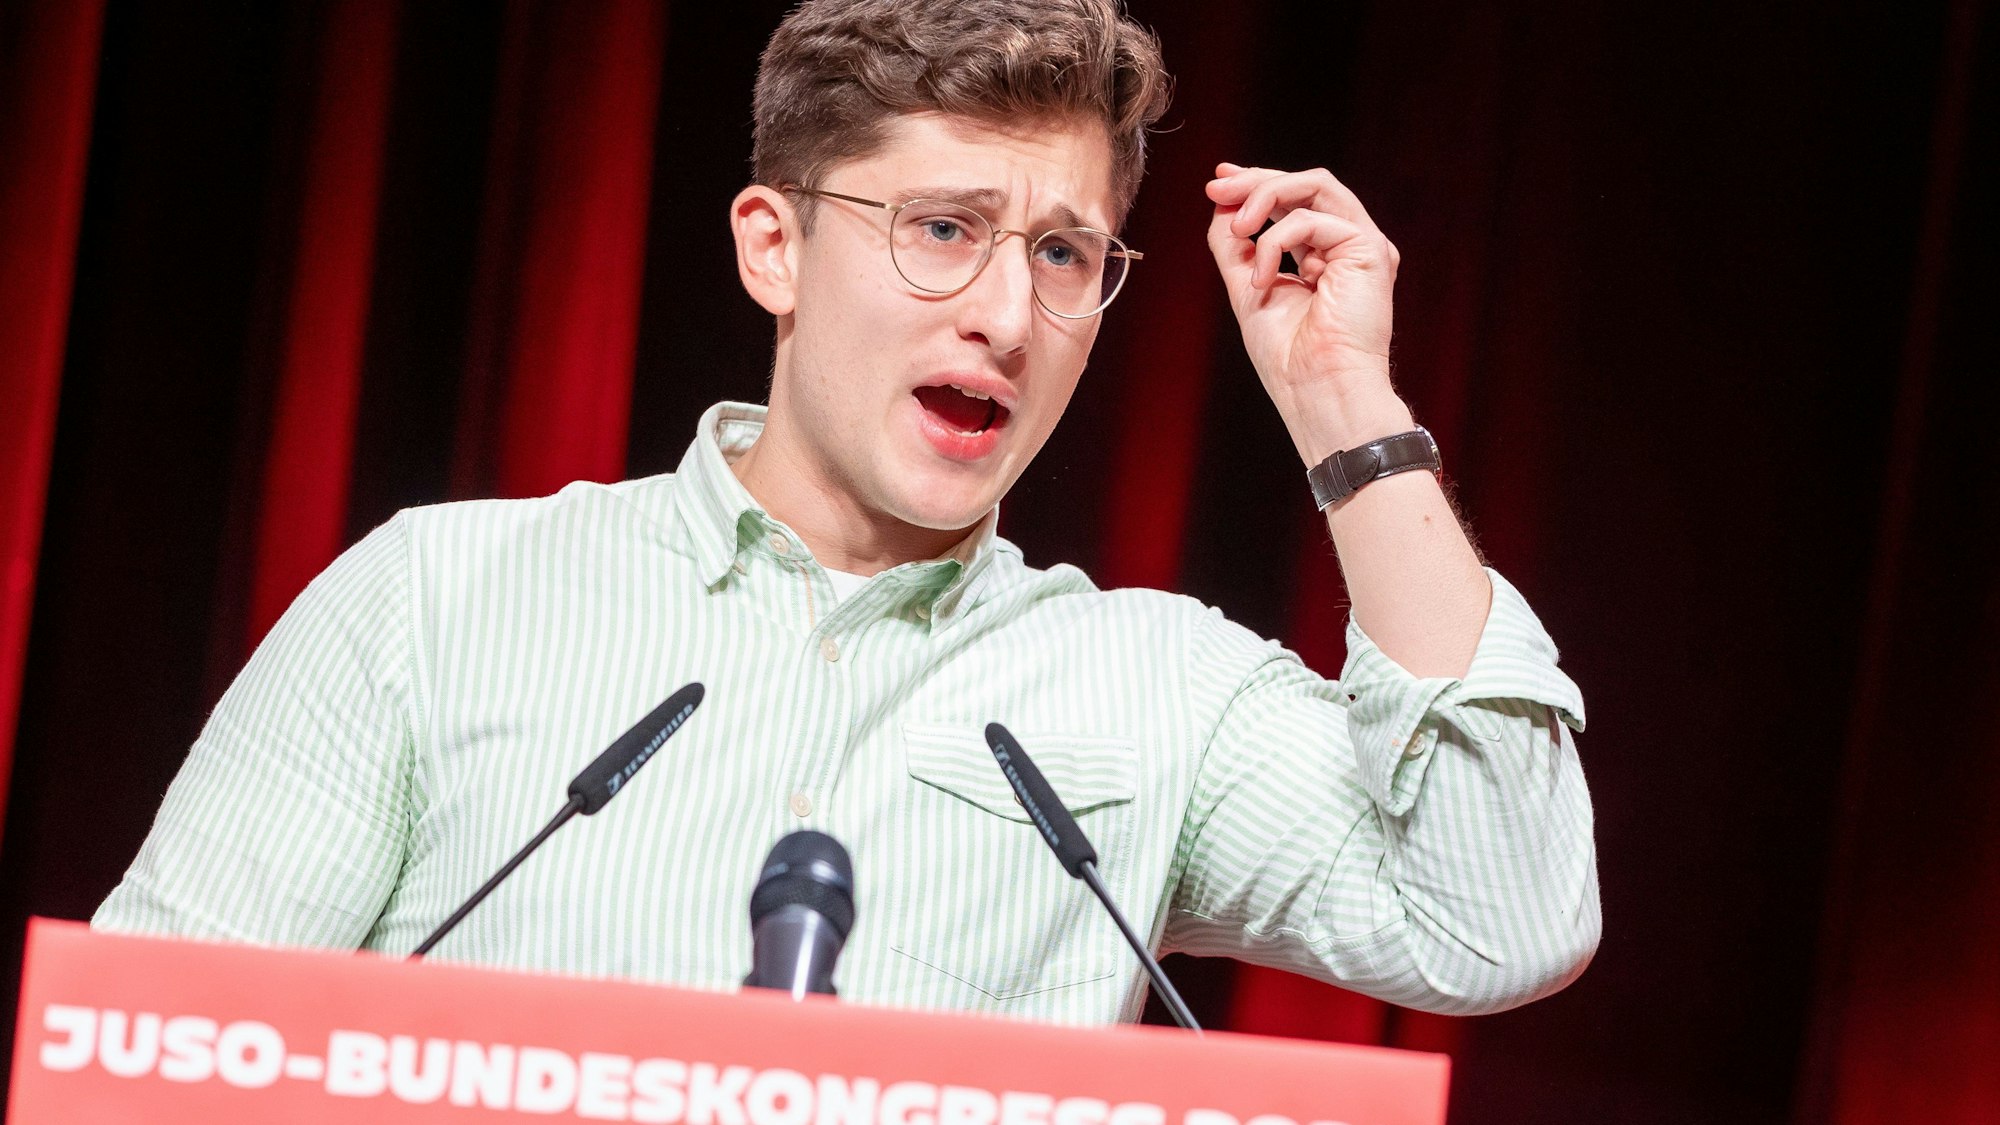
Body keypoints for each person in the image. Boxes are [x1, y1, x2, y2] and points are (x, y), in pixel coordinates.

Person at [95, 0, 1598, 1026]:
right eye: (944, 228)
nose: (1005, 313)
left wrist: (1346, 406)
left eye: (1065, 255)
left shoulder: (1160, 690)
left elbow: (1499, 917)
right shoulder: (436, 597)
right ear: (776, 248)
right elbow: (149, 1055)